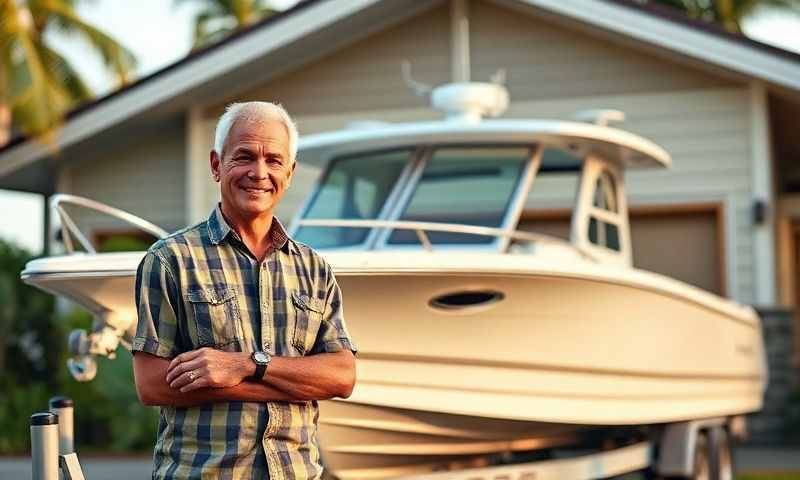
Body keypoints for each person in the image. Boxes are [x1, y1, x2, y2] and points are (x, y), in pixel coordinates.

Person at [131, 101, 356, 479]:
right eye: (245, 157)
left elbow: (342, 376)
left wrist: (244, 366)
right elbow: (152, 384)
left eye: (274, 160)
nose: (259, 172)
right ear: (217, 165)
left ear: (290, 171)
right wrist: (292, 384)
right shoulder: (170, 260)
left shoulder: (314, 268)